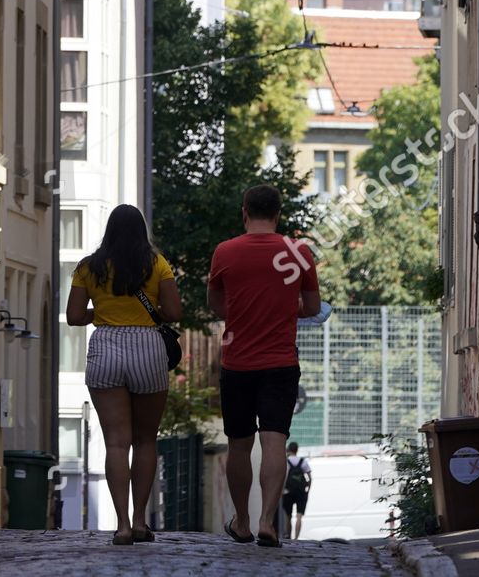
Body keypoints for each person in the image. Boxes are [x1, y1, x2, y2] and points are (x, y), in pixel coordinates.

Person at [208, 184, 320, 548]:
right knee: (275, 441)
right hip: (280, 363)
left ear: (245, 212)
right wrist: (287, 310)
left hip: (237, 363)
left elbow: (216, 305)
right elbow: (313, 307)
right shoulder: (299, 252)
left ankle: (241, 521)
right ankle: (267, 521)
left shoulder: (224, 252)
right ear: (278, 214)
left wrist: (243, 315)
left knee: (238, 445)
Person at [65, 204, 182, 545]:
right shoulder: (157, 264)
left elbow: (73, 316)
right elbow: (173, 312)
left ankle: (122, 526)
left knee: (116, 442)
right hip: (148, 347)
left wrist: (102, 311)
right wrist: (148, 311)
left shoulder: (89, 267)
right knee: (146, 440)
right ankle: (142, 520)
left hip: (106, 347)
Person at [284, 441, 312, 539]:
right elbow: (309, 477)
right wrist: (307, 489)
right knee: (299, 516)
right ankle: (296, 538)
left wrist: (282, 490)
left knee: (288, 516)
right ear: (297, 450)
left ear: (288, 450)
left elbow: (284, 477)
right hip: (301, 492)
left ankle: (288, 536)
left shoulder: (286, 462)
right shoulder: (303, 462)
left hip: (288, 492)